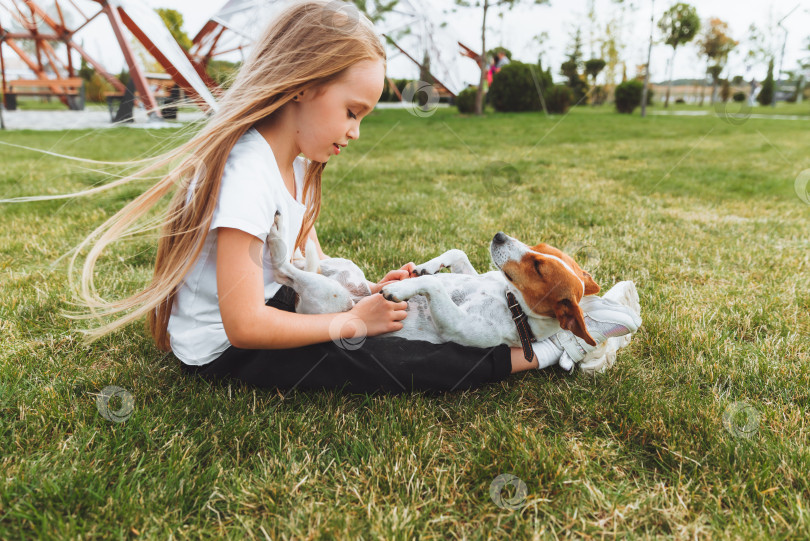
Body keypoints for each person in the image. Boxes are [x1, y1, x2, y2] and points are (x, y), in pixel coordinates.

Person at [57, 0, 639, 395]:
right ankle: (535, 355)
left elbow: (304, 264)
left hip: (277, 308)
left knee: (405, 320)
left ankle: (539, 336)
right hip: (224, 351)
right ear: (304, 87)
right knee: (381, 358)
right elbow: (242, 325)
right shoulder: (246, 174)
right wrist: (347, 323)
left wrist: (363, 291)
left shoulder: (294, 164)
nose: (356, 131)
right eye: (352, 111)